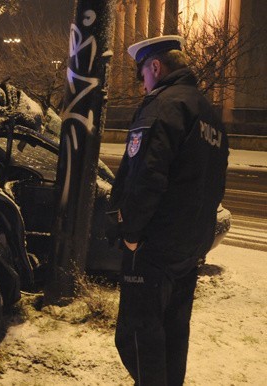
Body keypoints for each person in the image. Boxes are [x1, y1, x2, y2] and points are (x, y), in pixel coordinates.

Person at [108, 35, 229, 385]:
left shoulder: (163, 105)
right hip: (188, 249)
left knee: (137, 337)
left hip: (153, 248)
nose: (142, 83)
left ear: (155, 67)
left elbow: (146, 176)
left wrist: (130, 233)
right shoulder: (209, 113)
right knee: (174, 334)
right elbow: (215, 184)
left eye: (142, 74)